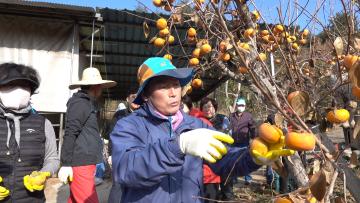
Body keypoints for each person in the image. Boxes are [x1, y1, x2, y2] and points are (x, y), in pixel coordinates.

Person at [110, 57, 293, 203]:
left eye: (175, 85)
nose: (173, 92)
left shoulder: (196, 125)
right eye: (164, 86)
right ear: (147, 94)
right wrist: (177, 146)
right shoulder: (129, 126)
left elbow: (224, 160)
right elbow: (125, 170)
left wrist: (252, 157)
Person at [0, 63, 59, 202]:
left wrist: (44, 173)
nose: (18, 90)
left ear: (31, 91)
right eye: (10, 85)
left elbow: (52, 158)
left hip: (32, 199)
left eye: (24, 86)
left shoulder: (43, 123)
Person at [58, 67, 116, 203]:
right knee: (87, 200)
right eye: (100, 86)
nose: (101, 89)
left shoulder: (86, 103)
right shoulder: (80, 103)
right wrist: (65, 163)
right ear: (96, 87)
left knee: (75, 199)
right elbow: (71, 132)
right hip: (81, 162)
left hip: (84, 161)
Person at [108, 90, 140, 203]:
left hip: (139, 155)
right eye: (133, 96)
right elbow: (112, 134)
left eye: (138, 96)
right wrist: (111, 154)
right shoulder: (119, 115)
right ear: (127, 99)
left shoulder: (145, 114)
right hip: (121, 156)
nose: (135, 99)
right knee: (118, 185)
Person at [229, 97, 256, 185]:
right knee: (233, 160)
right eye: (239, 105)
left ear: (245, 106)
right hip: (233, 142)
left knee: (244, 160)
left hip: (244, 142)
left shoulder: (248, 116)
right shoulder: (231, 116)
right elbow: (228, 128)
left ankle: (247, 178)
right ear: (236, 105)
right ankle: (234, 178)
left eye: (242, 105)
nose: (241, 106)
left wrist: (253, 139)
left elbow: (252, 128)